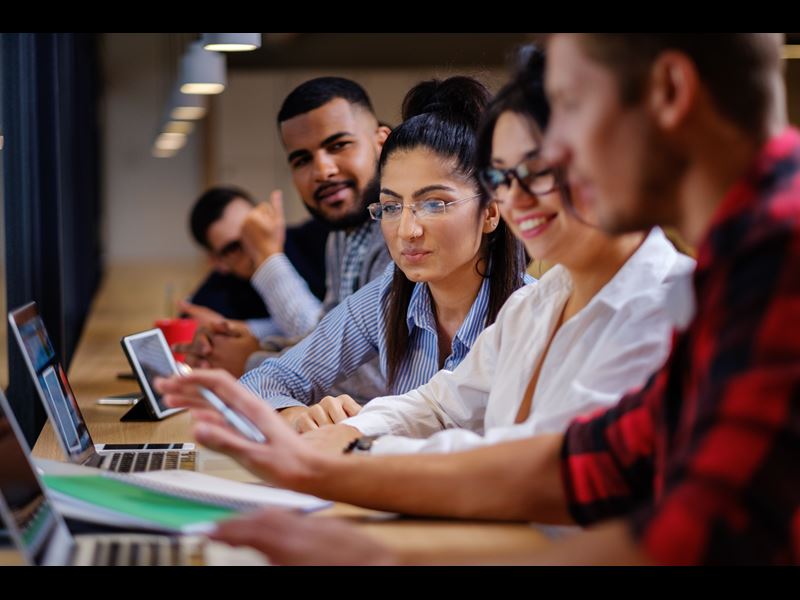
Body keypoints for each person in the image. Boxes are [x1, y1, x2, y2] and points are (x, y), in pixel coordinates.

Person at [159, 33, 800, 565]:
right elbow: (591, 462)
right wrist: (319, 466)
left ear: (668, 92)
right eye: (503, 174)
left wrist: (366, 528)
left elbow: (678, 540)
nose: (556, 157)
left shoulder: (773, 256)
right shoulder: (733, 260)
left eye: (570, 107)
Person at [238, 76, 530, 433]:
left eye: (434, 204)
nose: (407, 230)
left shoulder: (531, 315)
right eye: (391, 207)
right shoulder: (387, 298)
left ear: (490, 211)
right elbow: (262, 382)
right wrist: (293, 415)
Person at [177, 78, 393, 395]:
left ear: (381, 143)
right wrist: (256, 338)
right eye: (302, 159)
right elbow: (327, 336)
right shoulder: (341, 232)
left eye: (338, 145)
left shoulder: (403, 232)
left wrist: (253, 358)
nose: (322, 170)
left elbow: (378, 374)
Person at [181, 185, 329, 330]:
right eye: (234, 247)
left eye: (253, 228)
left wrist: (242, 330)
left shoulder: (322, 239)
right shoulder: (214, 296)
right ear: (218, 262)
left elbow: (326, 336)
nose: (254, 243)